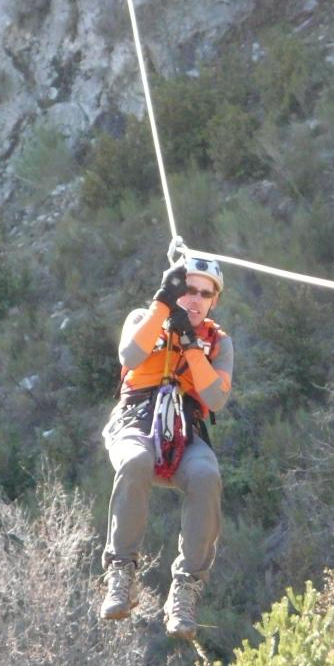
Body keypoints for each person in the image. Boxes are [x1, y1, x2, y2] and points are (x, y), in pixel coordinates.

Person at [100, 252, 234, 640]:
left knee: (206, 475)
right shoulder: (143, 319)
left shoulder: (218, 343)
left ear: (213, 301)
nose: (193, 299)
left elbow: (216, 396)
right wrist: (162, 304)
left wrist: (192, 346)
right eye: (187, 289)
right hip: (135, 421)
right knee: (136, 460)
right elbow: (130, 355)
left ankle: (186, 588)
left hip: (185, 431)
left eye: (203, 294)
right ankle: (121, 572)